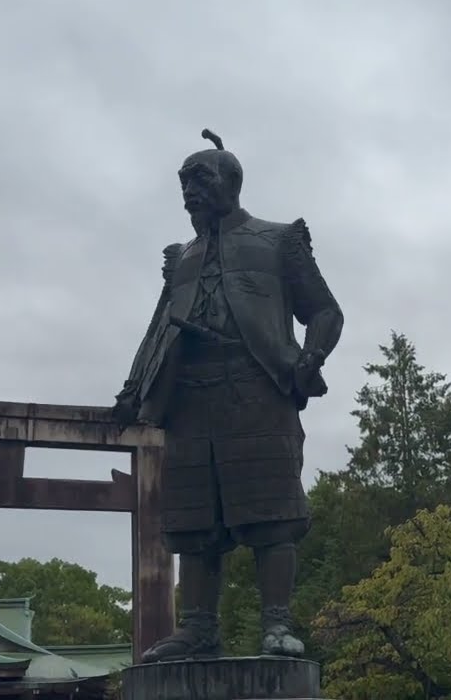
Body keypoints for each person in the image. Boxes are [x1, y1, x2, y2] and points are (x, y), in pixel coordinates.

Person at [112, 129, 343, 661]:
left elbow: (325, 311)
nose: (190, 191)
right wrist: (132, 389)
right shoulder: (184, 257)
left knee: (271, 510)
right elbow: (158, 328)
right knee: (194, 518)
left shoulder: (278, 239)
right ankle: (198, 627)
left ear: (232, 183)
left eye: (201, 178)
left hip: (257, 388)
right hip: (190, 398)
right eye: (184, 182)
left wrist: (309, 361)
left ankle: (276, 623)